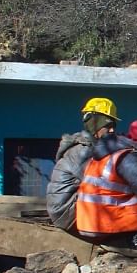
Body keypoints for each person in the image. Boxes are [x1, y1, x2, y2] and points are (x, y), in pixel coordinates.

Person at [75, 120, 137, 249]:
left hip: (87, 220)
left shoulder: (110, 149)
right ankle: (134, 244)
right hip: (101, 224)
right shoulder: (128, 157)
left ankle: (125, 241)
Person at [47, 98, 119, 231]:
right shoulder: (83, 151)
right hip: (66, 213)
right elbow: (101, 183)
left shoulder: (92, 146)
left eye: (114, 126)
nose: (112, 130)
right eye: (108, 126)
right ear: (94, 124)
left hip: (69, 207)